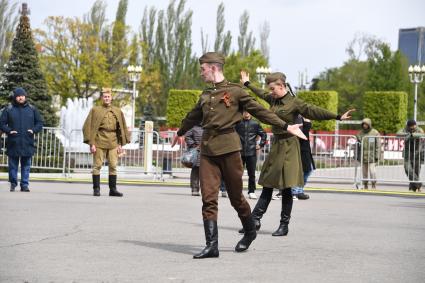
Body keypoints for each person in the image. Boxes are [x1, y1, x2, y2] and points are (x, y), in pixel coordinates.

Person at [171, 52, 306, 259]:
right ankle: (212, 245)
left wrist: (286, 126)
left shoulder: (236, 92)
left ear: (214, 68)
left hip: (229, 149)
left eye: (203, 69)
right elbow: (192, 116)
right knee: (208, 198)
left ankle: (250, 230)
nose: (201, 73)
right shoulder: (206, 95)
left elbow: (261, 112)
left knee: (236, 197)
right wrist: (180, 132)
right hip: (207, 150)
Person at [239, 71, 354, 237]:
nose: (270, 91)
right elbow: (261, 93)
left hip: (289, 146)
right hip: (277, 144)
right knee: (268, 184)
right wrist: (248, 84)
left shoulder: (294, 102)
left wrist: (337, 117)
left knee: (286, 187)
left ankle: (283, 225)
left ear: (282, 86)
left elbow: (313, 111)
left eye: (273, 88)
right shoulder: (273, 99)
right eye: (269, 89)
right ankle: (255, 221)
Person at [83, 87, 130, 197]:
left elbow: (121, 128)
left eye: (108, 97)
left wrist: (120, 144)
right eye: (105, 97)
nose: (107, 98)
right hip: (99, 141)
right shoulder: (95, 110)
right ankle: (96, 189)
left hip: (113, 142)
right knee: (97, 166)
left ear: (111, 98)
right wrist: (91, 143)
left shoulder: (118, 111)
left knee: (113, 166)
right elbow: (87, 126)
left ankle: (113, 189)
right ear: (102, 98)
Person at [0, 87, 43, 192]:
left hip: (27, 141)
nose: (21, 98)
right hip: (13, 142)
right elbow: (1, 123)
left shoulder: (32, 109)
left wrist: (33, 130)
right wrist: (9, 131)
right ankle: (13, 183)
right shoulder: (9, 109)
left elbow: (39, 123)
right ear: (15, 97)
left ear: (25, 97)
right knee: (13, 165)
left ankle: (24, 185)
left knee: (26, 165)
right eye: (19, 96)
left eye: (22, 96)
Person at [235, 111, 267, 199]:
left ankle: (251, 191)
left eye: (248, 112)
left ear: (251, 113)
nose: (246, 113)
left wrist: (260, 145)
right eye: (244, 112)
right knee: (237, 173)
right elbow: (231, 134)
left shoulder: (255, 124)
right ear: (242, 113)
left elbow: (263, 134)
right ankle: (237, 191)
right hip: (239, 152)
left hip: (251, 152)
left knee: (251, 174)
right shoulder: (237, 123)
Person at [397, 120, 425, 192]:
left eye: (414, 125)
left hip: (417, 153)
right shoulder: (406, 129)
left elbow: (422, 134)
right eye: (411, 126)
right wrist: (407, 134)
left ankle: (413, 187)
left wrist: (412, 135)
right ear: (409, 126)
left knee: (416, 171)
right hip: (407, 153)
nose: (413, 127)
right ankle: (418, 184)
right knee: (407, 169)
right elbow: (398, 133)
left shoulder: (419, 129)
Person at [291, 116, 315, 200]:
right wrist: (307, 122)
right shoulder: (298, 119)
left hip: (305, 148)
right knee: (302, 170)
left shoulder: (301, 119)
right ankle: (295, 191)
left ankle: (298, 191)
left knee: (308, 169)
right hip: (300, 149)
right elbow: (302, 133)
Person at [356, 118, 381, 189]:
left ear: (369, 125)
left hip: (372, 156)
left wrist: (377, 155)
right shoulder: (359, 133)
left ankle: (373, 184)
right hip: (363, 156)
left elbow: (378, 145)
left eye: (366, 124)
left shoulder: (375, 133)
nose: (365, 125)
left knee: (372, 170)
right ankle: (365, 184)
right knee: (364, 172)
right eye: (363, 124)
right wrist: (357, 155)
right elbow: (357, 146)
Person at [185, 124, 203, 196]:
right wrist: (193, 145)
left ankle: (206, 190)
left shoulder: (208, 126)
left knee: (207, 173)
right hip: (197, 152)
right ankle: (195, 189)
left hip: (207, 152)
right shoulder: (193, 127)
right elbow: (187, 136)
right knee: (196, 170)